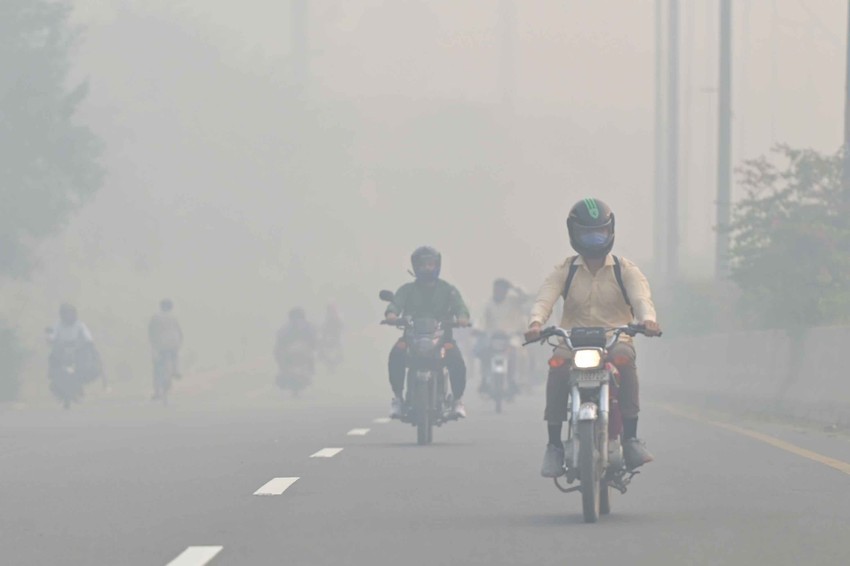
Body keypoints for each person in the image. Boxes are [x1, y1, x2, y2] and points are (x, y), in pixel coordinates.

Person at [525, 198, 662, 476]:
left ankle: (631, 437)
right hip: (572, 342)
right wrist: (536, 323)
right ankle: (553, 445)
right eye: (587, 233)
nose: (593, 239)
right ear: (574, 234)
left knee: (624, 359)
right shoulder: (566, 269)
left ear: (610, 231)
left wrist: (647, 320)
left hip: (615, 340)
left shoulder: (626, 270)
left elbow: (641, 298)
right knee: (558, 367)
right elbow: (545, 298)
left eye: (599, 232)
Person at [384, 246, 471, 419]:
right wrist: (391, 315)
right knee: (396, 353)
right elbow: (395, 304)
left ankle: (457, 400)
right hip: (411, 337)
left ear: (437, 265)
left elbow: (460, 307)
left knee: (456, 359)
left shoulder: (448, 289)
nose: (427, 268)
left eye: (431, 264)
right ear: (415, 267)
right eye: (423, 265)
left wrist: (462, 318)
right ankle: (398, 398)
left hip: (441, 338)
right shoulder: (406, 289)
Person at [477, 278, 528, 396]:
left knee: (515, 354)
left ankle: (513, 380)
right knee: (484, 352)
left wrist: (514, 287)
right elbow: (481, 319)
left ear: (506, 290)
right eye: (496, 289)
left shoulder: (513, 301)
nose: (498, 291)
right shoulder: (488, 303)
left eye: (502, 289)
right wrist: (478, 329)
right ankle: (484, 379)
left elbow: (525, 297)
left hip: (511, 336)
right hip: (493, 337)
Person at [47, 303, 102, 383]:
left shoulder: (79, 324)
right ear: (62, 315)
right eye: (67, 314)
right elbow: (53, 334)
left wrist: (89, 341)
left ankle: (86, 375)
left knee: (89, 361)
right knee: (53, 358)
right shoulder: (58, 325)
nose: (69, 316)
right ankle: (52, 372)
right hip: (62, 347)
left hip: (77, 347)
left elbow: (86, 333)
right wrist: (51, 338)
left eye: (71, 314)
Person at [148, 299, 184, 400]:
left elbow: (151, 332)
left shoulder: (155, 317)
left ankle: (157, 392)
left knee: (157, 368)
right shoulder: (174, 317)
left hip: (160, 345)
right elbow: (180, 332)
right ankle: (175, 370)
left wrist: (153, 345)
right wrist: (179, 343)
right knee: (175, 356)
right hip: (173, 344)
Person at [275, 307, 317, 377]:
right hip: (299, 350)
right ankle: (311, 369)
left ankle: (283, 370)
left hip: (295, 351)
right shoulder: (308, 326)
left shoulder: (286, 327)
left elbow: (280, 340)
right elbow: (314, 339)